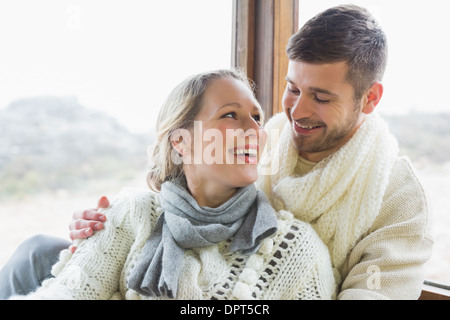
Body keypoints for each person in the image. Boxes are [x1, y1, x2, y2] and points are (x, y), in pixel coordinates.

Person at [1, 4, 433, 300]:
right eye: (291, 88)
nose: (295, 111)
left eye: (320, 96)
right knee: (39, 252)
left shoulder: (395, 198)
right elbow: (186, 195)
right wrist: (105, 222)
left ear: (370, 99)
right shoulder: (267, 139)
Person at [3, 69, 337, 300]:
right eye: (230, 115)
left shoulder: (296, 248)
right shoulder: (130, 214)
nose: (254, 129)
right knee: (36, 251)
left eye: (257, 117)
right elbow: (72, 291)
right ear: (181, 141)